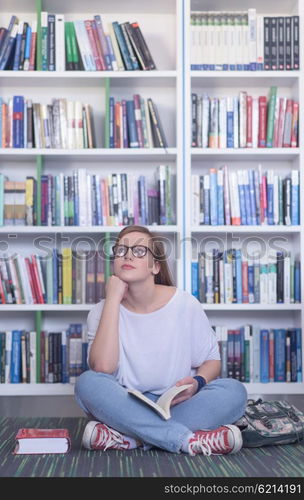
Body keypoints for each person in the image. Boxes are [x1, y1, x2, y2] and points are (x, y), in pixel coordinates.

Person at [75, 224, 248, 456]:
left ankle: (131, 438)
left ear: (155, 266)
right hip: (125, 403)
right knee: (87, 383)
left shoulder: (185, 304)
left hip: (175, 404)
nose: (127, 255)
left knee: (234, 391)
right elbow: (103, 368)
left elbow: (211, 361)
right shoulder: (102, 310)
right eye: (120, 250)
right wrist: (113, 299)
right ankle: (185, 439)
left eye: (138, 251)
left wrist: (197, 382)